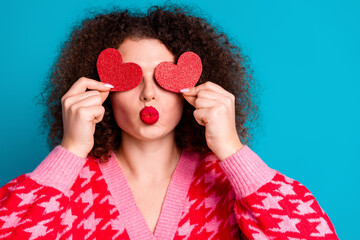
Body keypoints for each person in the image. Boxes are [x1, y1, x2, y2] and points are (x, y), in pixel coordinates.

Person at [0, 5, 339, 240]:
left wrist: (234, 151)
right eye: (130, 78)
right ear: (101, 90)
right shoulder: (67, 186)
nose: (149, 94)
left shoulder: (227, 182)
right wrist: (70, 151)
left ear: (193, 87)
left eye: (165, 78)